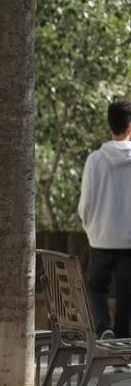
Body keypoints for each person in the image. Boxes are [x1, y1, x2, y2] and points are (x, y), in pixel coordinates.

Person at [78, 99, 131, 342]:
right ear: (130, 126)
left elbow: (85, 205)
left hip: (101, 239)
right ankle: (121, 345)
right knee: (126, 295)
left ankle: (104, 329)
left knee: (96, 287)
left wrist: (93, 230)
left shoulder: (95, 160)